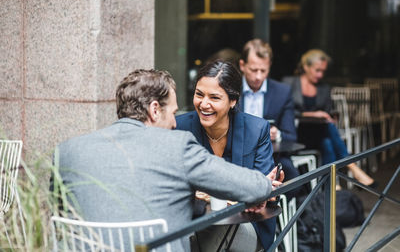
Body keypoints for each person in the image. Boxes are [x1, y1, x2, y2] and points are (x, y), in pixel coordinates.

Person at [53, 69, 282, 252]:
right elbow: (252, 187)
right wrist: (263, 185)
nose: (174, 123)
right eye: (172, 113)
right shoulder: (177, 145)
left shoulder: (66, 151)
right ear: (154, 110)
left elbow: (59, 210)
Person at [176, 61, 278, 251]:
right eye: (199, 94)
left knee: (216, 228)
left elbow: (262, 190)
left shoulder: (256, 129)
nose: (204, 104)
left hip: (245, 223)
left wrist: (204, 194)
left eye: (214, 97)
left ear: (233, 101)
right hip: (190, 223)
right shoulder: (178, 126)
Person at [282, 49, 376, 187]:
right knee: (327, 135)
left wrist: (330, 117)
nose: (320, 75)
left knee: (327, 141)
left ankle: (332, 185)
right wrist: (310, 115)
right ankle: (350, 167)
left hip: (317, 134)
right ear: (306, 67)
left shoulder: (324, 88)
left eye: (323, 71)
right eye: (317, 70)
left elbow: (326, 111)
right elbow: (285, 112)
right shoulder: (289, 83)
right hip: (297, 134)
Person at [238, 39, 300, 195]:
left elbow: (291, 135)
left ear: (269, 67)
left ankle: (279, 217)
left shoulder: (282, 93)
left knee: (293, 179)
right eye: (253, 70)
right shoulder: (231, 89)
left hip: (272, 157)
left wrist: (277, 134)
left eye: (263, 70)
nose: (258, 76)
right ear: (242, 65)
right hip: (235, 155)